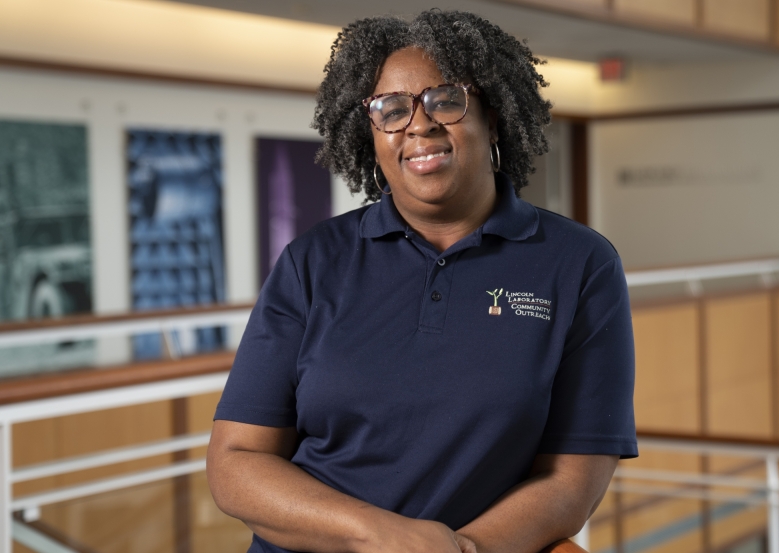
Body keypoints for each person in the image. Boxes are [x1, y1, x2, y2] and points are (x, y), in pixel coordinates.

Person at [207, 10, 636, 553]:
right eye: (391, 109)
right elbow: (235, 462)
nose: (419, 124)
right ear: (371, 134)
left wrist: (460, 551)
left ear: (493, 116)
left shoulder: (579, 264)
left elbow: (571, 484)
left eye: (446, 101)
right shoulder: (312, 261)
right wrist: (379, 535)